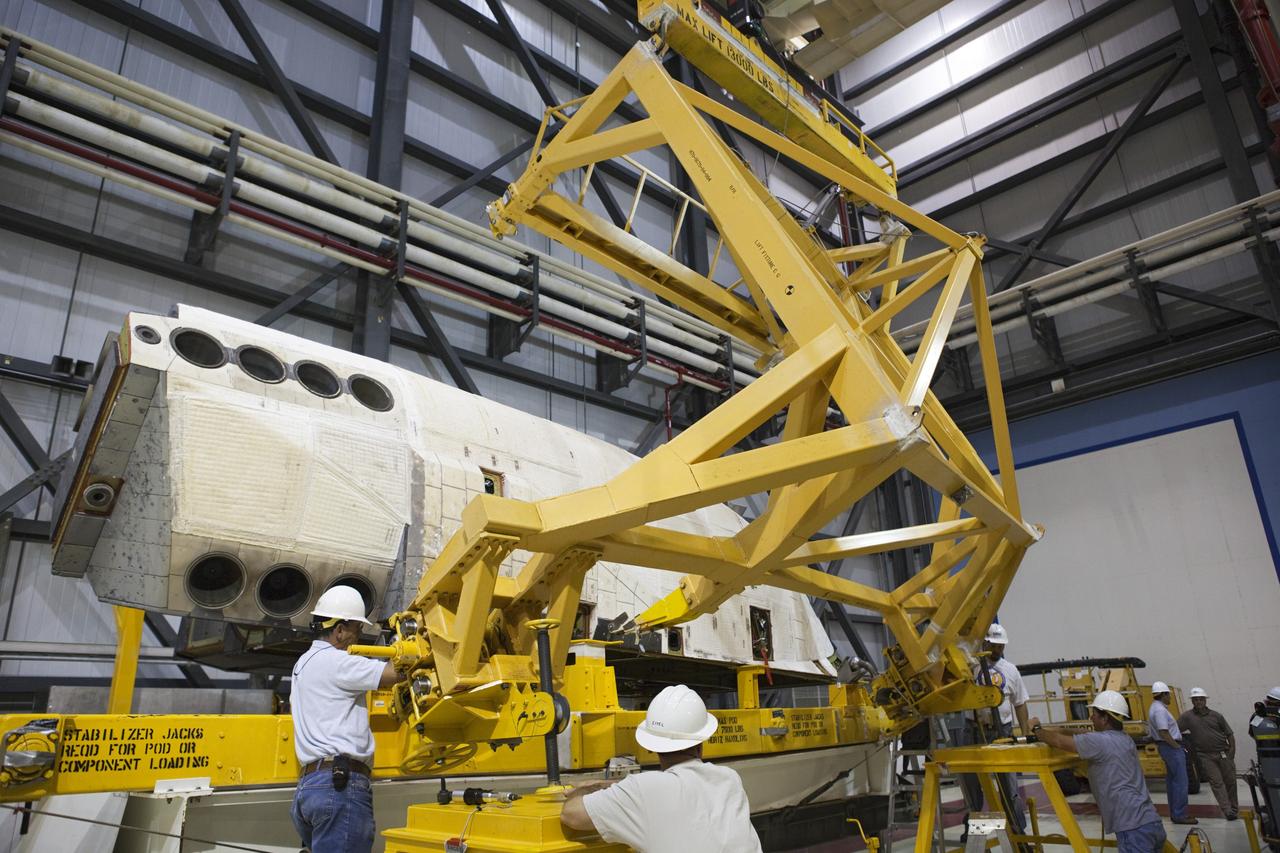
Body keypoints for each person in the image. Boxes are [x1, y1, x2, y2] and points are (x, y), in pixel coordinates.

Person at [560, 684, 762, 852]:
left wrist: (587, 789)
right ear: (700, 744)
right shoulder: (729, 780)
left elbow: (571, 814)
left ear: (653, 747)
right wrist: (612, 785)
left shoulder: (641, 791)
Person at [290, 585, 400, 853]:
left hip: (309, 789)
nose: (358, 638)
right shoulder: (337, 663)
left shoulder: (303, 664)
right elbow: (395, 673)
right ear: (339, 630)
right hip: (339, 789)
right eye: (356, 630)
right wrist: (412, 643)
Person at [1032, 691, 1167, 853]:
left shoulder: (1099, 742)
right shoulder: (1124, 739)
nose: (1091, 718)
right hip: (1151, 822)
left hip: (1132, 828)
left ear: (1105, 718)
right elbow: (1084, 735)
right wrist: (1061, 729)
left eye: (1094, 714)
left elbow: (1059, 741)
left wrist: (1036, 728)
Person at [959, 623, 1031, 835]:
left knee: (1009, 786)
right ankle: (976, 833)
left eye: (1001, 646)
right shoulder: (970, 668)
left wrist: (1026, 733)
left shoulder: (1011, 670)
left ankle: (1018, 831)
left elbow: (1020, 703)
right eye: (994, 645)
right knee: (972, 785)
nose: (998, 649)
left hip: (1002, 732)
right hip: (973, 730)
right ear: (985, 642)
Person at [1178, 687, 1237, 819]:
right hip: (1205, 756)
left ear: (1205, 700)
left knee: (1231, 782)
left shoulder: (1216, 716)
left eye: (1201, 699)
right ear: (1192, 701)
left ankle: (1234, 808)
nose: (1198, 702)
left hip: (1224, 753)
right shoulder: (1187, 717)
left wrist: (1231, 752)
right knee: (1216, 783)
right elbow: (1174, 729)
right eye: (1195, 700)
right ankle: (1227, 810)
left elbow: (1229, 734)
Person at [1149, 681, 1197, 825]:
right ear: (1163, 694)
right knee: (1181, 782)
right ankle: (1180, 815)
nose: (1170, 697)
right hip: (1170, 747)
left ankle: (1176, 813)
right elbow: (1164, 732)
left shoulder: (1156, 708)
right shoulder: (1159, 710)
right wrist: (1176, 747)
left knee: (1173, 782)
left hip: (1167, 747)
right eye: (1168, 694)